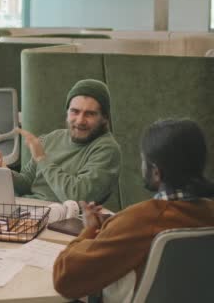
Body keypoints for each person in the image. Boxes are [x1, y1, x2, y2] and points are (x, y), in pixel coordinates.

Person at [53, 119, 214, 301]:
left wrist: (88, 230)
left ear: (156, 172)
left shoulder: (140, 221)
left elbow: (65, 278)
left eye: (143, 159)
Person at [0, 79, 121, 204]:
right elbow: (27, 183)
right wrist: (5, 173)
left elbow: (78, 197)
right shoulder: (53, 137)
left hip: (63, 223)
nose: (80, 120)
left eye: (90, 114)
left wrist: (42, 159)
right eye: (75, 111)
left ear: (104, 118)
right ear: (67, 113)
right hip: (29, 211)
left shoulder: (107, 149)